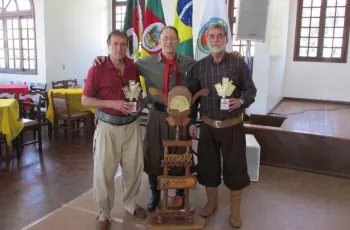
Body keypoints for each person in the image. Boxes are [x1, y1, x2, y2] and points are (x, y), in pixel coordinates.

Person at [92, 26, 196, 212]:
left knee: (181, 154)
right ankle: (155, 194)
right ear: (159, 42)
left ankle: (180, 194)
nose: (169, 42)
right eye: (165, 39)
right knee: (153, 153)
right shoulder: (144, 62)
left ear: (178, 41)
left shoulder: (190, 63)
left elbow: (207, 68)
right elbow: (120, 59)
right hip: (157, 114)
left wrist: (235, 55)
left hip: (181, 116)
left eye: (172, 39)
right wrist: (101, 57)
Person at [186, 22, 257, 228]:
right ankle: (212, 202)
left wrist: (241, 101)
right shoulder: (199, 67)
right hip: (208, 126)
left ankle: (235, 210)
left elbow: (251, 90)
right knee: (208, 166)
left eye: (219, 36)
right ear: (206, 40)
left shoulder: (238, 64)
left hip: (233, 125)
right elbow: (192, 98)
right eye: (211, 36)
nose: (215, 40)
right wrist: (191, 121)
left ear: (226, 39)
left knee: (235, 167)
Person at [82, 29, 147, 230]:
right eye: (114, 44)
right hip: (107, 128)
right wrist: (114, 103)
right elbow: (85, 100)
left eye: (122, 44)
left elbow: (137, 92)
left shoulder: (132, 67)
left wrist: (136, 101)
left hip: (131, 127)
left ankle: (130, 204)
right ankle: (104, 212)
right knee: (104, 172)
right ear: (108, 46)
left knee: (134, 168)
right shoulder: (97, 68)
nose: (119, 48)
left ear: (126, 46)